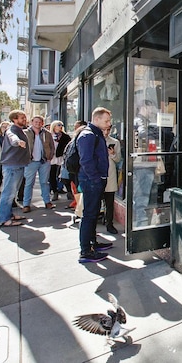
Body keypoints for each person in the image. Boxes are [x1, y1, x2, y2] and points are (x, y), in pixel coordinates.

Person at [76, 107, 113, 263]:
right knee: (89, 215)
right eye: (106, 120)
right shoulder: (88, 135)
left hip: (95, 180)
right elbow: (86, 161)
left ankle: (92, 243)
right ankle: (85, 251)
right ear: (96, 119)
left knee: (93, 213)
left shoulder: (96, 134)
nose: (109, 123)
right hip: (91, 181)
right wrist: (96, 179)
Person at [0, 110, 30, 227]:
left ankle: (9, 215)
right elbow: (13, 138)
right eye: (22, 118)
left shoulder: (19, 130)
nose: (24, 119)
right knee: (8, 193)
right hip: (12, 167)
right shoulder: (12, 130)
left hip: (17, 166)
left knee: (12, 193)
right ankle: (4, 219)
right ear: (14, 119)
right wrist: (18, 142)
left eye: (25, 117)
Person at [133, 100, 159, 226]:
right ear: (144, 107)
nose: (151, 111)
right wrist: (156, 133)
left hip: (145, 164)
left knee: (143, 196)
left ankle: (141, 223)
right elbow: (144, 135)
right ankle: (141, 225)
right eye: (150, 108)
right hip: (144, 164)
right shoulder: (140, 122)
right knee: (142, 197)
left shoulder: (140, 121)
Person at [22, 116, 55, 212]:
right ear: (32, 122)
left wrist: (50, 157)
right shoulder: (25, 133)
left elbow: (52, 146)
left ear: (42, 123)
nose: (38, 123)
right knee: (29, 183)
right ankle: (26, 204)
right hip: (30, 162)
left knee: (44, 182)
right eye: (36, 121)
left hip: (44, 161)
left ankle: (47, 201)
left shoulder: (47, 133)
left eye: (40, 122)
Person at [103, 126, 121, 234]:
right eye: (104, 129)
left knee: (109, 202)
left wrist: (113, 154)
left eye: (108, 130)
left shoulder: (114, 142)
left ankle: (109, 223)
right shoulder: (94, 140)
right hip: (97, 176)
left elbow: (118, 159)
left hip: (110, 174)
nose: (105, 132)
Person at [49, 120, 71, 200]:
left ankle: (69, 191)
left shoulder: (66, 136)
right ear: (54, 126)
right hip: (51, 158)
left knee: (64, 176)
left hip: (61, 158)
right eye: (58, 125)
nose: (60, 126)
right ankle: (55, 192)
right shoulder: (49, 135)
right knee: (52, 176)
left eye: (61, 125)